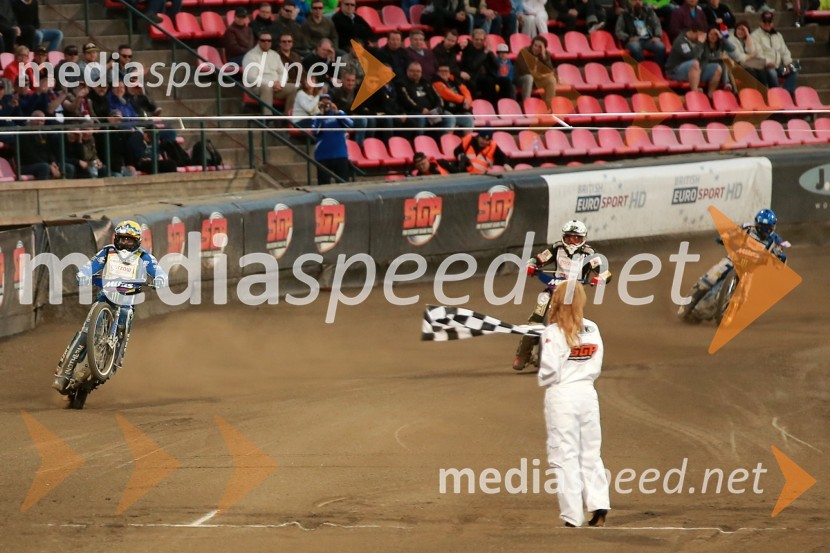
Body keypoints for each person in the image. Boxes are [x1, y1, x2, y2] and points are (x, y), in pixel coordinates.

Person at [52, 220, 168, 394]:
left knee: (123, 331)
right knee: (86, 331)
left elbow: (159, 272)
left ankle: (111, 366)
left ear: (137, 241)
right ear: (116, 239)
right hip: (105, 297)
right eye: (122, 239)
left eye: (129, 240)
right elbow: (90, 266)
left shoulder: (144, 257)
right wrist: (84, 274)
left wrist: (160, 279)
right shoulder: (107, 252)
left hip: (127, 302)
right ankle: (63, 373)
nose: (125, 243)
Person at [538, 281, 611, 528]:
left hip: (562, 397)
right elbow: (597, 363)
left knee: (564, 455)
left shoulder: (552, 332)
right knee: (590, 452)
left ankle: (572, 515)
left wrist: (544, 375)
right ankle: (599, 505)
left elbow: (548, 373)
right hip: (588, 394)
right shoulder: (593, 327)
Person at [515, 220, 611, 370]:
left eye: (576, 238)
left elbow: (605, 272)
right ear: (563, 237)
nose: (572, 242)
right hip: (553, 289)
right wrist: (531, 265)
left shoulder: (590, 254)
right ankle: (522, 354)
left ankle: (566, 354)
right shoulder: (556, 248)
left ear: (583, 238)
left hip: (574, 295)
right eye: (569, 238)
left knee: (572, 325)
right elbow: (538, 259)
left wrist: (600, 278)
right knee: (536, 319)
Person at [678, 208, 788, 321]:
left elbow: (780, 261)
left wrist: (780, 258)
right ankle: (688, 303)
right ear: (757, 224)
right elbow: (732, 233)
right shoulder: (748, 228)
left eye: (768, 227)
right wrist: (723, 238)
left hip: (748, 270)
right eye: (763, 227)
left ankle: (726, 314)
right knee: (709, 279)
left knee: (742, 298)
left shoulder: (775, 240)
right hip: (733, 259)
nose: (766, 230)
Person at [666, 23, 721, 96]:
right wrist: (700, 43)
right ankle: (695, 93)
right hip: (675, 71)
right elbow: (691, 56)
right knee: (695, 63)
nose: (701, 38)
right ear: (696, 32)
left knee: (717, 68)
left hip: (695, 71)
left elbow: (706, 56)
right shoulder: (680, 41)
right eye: (700, 35)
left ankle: (710, 95)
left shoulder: (698, 42)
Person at [751, 11, 798, 97]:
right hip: (765, 67)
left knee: (794, 68)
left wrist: (788, 63)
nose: (767, 24)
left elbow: (784, 51)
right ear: (760, 22)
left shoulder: (778, 35)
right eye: (764, 21)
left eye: (769, 21)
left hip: (779, 68)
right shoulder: (755, 36)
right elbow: (757, 53)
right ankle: (777, 95)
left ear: (773, 23)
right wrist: (767, 63)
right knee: (772, 73)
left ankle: (787, 94)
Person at [311, 94, 353, 185]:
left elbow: (350, 125)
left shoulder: (339, 113)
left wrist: (337, 112)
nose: (326, 104)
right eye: (323, 102)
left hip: (340, 154)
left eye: (328, 101)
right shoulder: (316, 117)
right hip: (323, 156)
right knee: (324, 185)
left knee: (344, 184)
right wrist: (321, 114)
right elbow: (315, 131)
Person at [615, 0, 666, 67]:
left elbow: (657, 25)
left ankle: (658, 69)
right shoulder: (624, 14)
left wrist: (657, 36)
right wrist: (628, 38)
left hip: (648, 40)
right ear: (631, 2)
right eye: (635, 0)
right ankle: (641, 70)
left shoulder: (649, 12)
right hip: (633, 40)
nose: (637, 2)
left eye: (640, 0)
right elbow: (618, 31)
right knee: (636, 48)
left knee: (660, 47)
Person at [515, 35, 557, 106]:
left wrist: (544, 57)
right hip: (522, 79)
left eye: (540, 47)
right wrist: (540, 76)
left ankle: (549, 106)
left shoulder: (546, 54)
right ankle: (526, 105)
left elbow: (550, 70)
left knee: (551, 79)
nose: (536, 48)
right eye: (535, 45)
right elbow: (524, 71)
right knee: (529, 78)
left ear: (544, 48)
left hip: (536, 80)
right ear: (532, 44)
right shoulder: (524, 52)